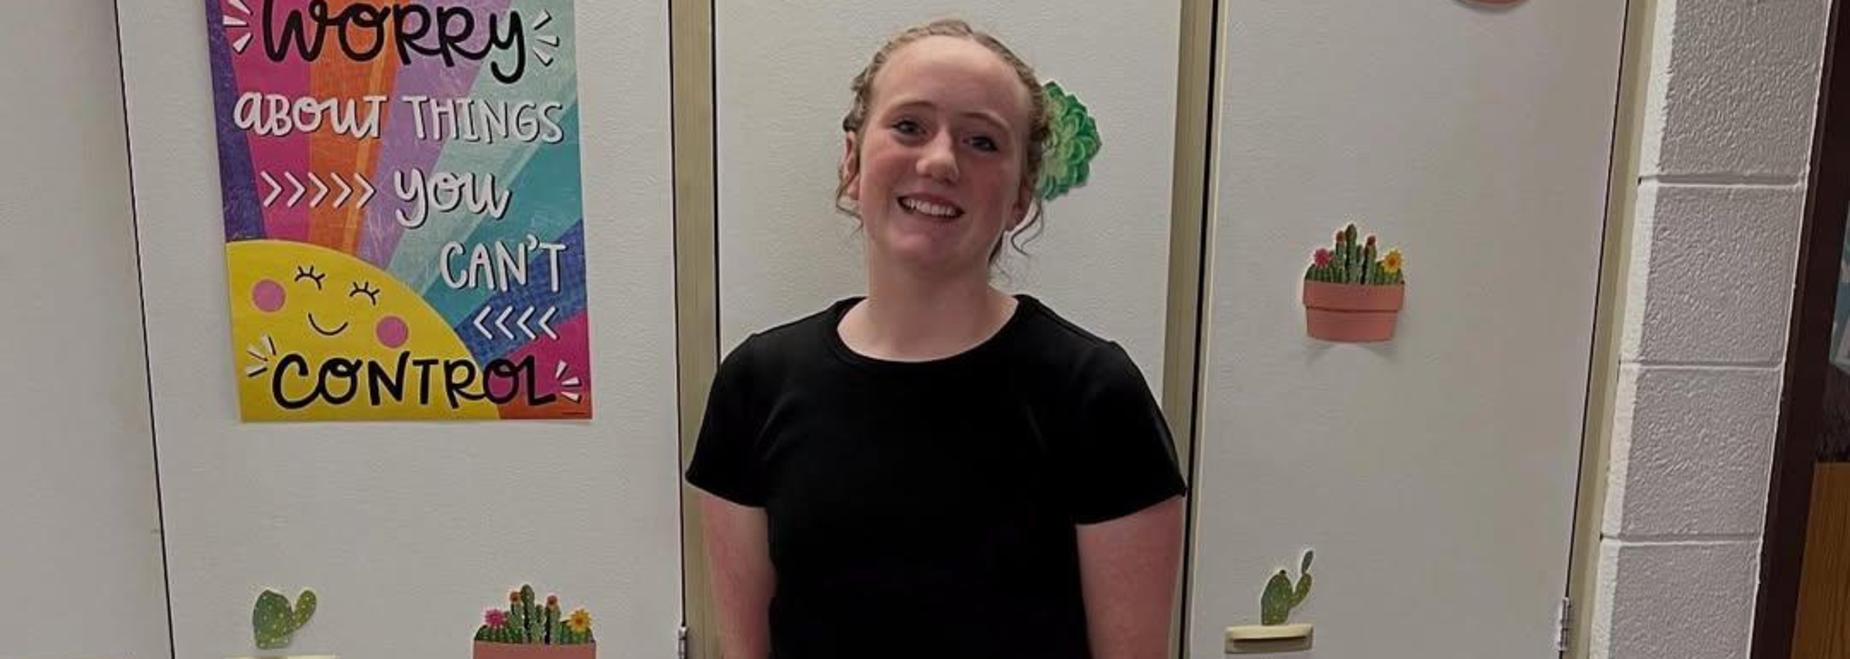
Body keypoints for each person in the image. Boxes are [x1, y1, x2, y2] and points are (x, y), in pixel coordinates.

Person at [686, 18, 1187, 659]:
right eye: (910, 126)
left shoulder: (1094, 394)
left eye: (982, 141)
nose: (940, 160)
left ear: (1019, 198)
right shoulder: (754, 386)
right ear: (852, 159)